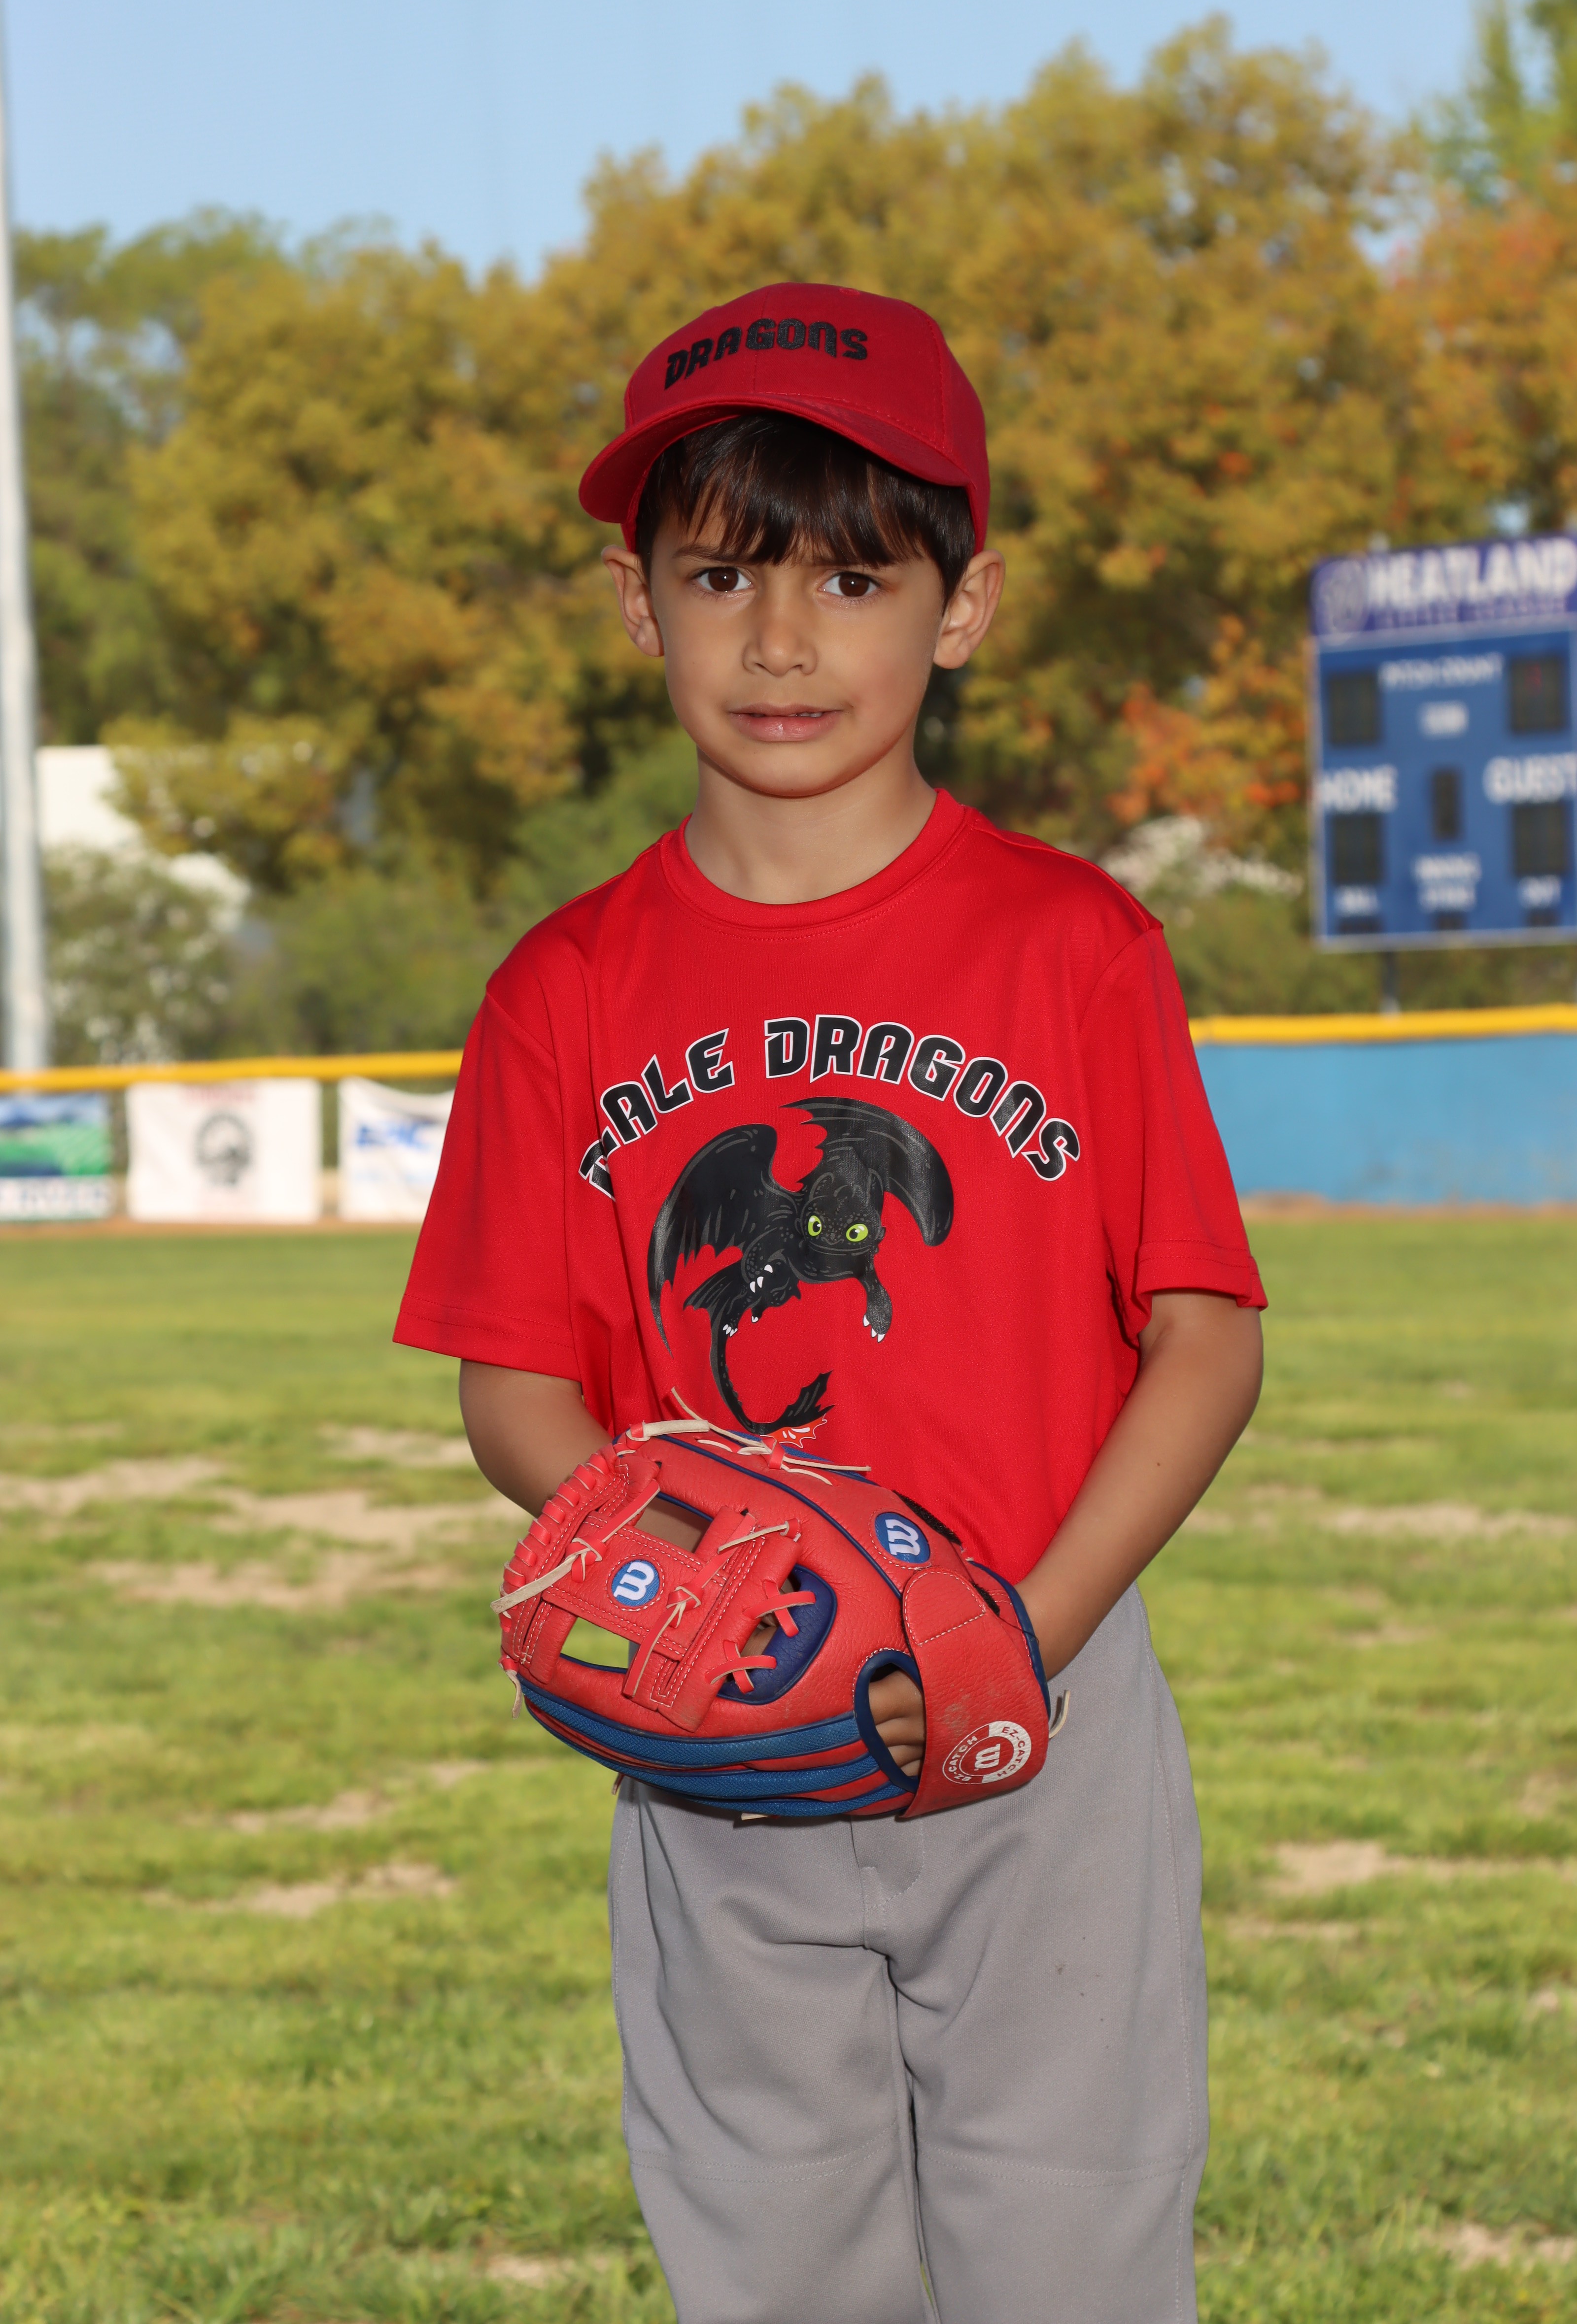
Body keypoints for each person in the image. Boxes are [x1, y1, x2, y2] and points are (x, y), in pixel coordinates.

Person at [395, 283, 1266, 2324]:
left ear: (962, 609)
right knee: (774, 2258)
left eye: (853, 579)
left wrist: (1011, 1635)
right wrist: (694, 1592)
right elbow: (517, 1382)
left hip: (1046, 1712)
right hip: (724, 1726)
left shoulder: (1073, 946)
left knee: (1070, 2247)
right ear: (638, 603)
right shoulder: (564, 990)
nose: (781, 640)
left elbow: (1205, 1339)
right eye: (722, 576)